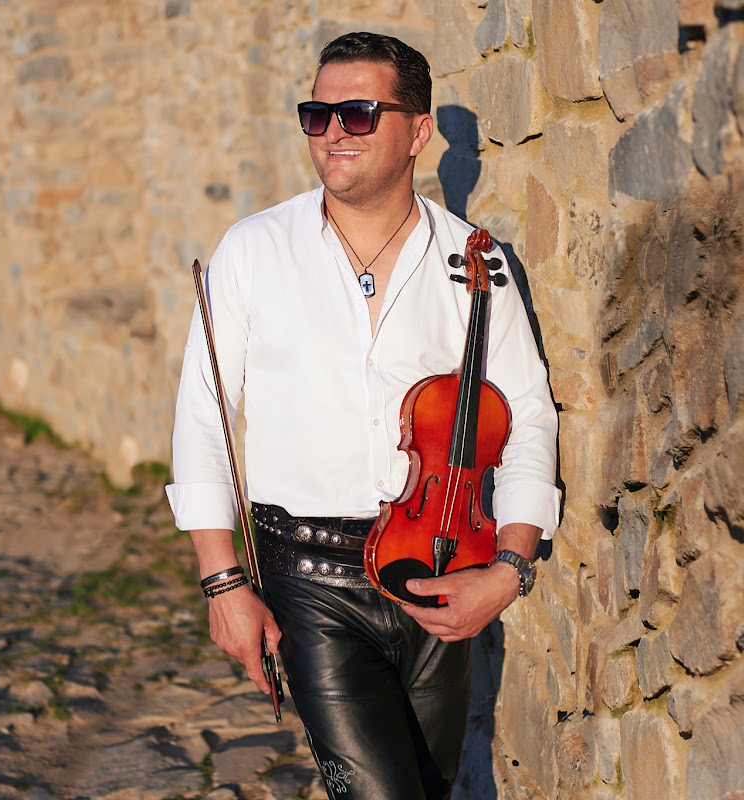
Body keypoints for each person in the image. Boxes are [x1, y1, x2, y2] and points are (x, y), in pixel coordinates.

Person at [166, 31, 560, 800]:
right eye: (317, 115)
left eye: (357, 114)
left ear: (418, 132)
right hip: (307, 576)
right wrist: (222, 584)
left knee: (428, 788)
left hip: (441, 568)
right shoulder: (253, 250)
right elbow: (204, 420)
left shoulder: (476, 263)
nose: (332, 133)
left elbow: (526, 421)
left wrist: (508, 571)